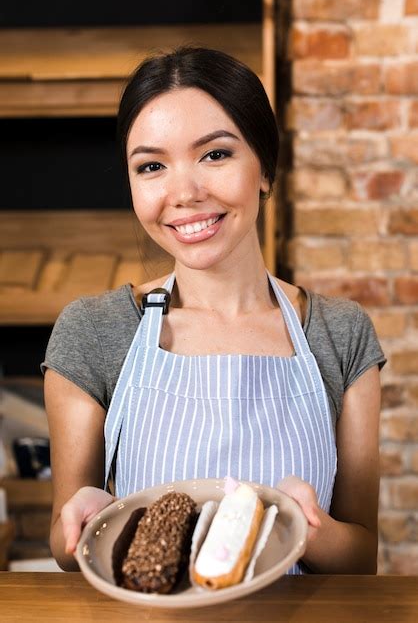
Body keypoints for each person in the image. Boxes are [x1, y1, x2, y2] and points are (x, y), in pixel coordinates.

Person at [42, 46, 386, 574]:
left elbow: (360, 556)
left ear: (264, 169)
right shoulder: (95, 332)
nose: (184, 193)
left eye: (215, 154)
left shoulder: (340, 334)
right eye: (152, 166)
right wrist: (89, 526)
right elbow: (69, 548)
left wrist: (307, 522)